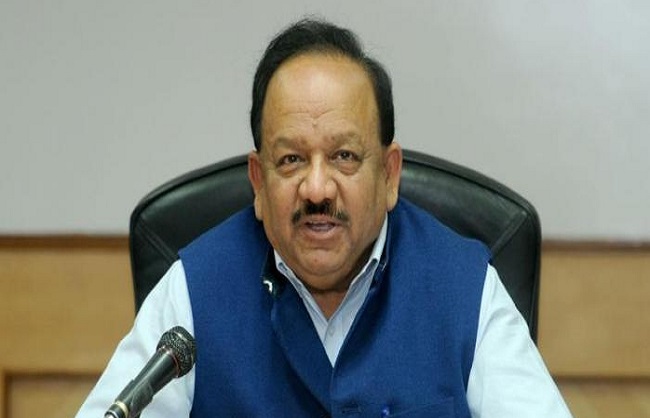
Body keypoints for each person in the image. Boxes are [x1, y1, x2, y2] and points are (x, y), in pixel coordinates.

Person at [76, 18, 572, 418]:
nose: (316, 189)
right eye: (291, 160)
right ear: (258, 182)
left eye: (344, 157)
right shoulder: (194, 290)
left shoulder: (463, 288)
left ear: (390, 174)